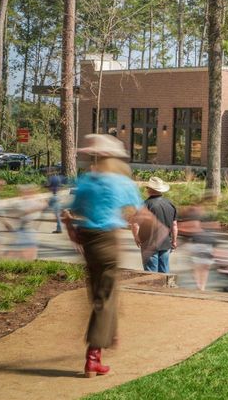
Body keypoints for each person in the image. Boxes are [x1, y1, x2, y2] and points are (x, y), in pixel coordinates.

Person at [61, 134, 143, 378]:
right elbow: (139, 211)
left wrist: (72, 232)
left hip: (88, 242)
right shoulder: (119, 181)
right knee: (105, 298)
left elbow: (70, 213)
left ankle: (110, 334)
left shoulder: (87, 181)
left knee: (101, 291)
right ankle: (93, 357)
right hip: (108, 240)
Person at [132, 177, 177, 273]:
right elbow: (174, 225)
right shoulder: (170, 204)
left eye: (147, 188)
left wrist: (136, 237)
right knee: (165, 272)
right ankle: (166, 288)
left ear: (150, 190)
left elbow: (136, 224)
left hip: (149, 244)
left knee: (151, 274)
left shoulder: (145, 204)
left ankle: (153, 288)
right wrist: (174, 241)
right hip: (165, 243)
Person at [179, 197, 219, 291]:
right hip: (199, 242)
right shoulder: (195, 214)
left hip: (203, 242)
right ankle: (200, 286)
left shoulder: (193, 214)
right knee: (201, 266)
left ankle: (201, 286)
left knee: (202, 266)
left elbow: (215, 226)